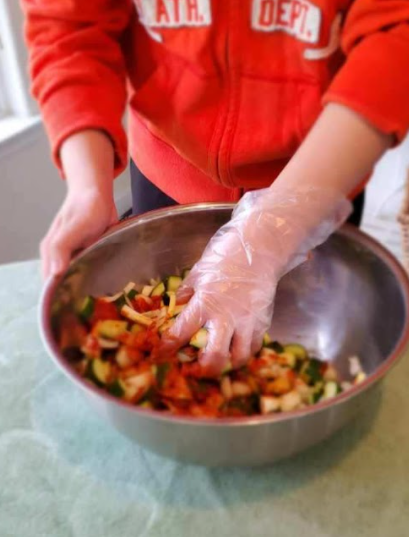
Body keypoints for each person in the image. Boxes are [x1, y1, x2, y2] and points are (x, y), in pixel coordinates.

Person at [23, 0, 409, 375]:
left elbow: (396, 40)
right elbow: (68, 23)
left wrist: (275, 229)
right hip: (165, 171)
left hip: (323, 173)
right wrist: (88, 184)